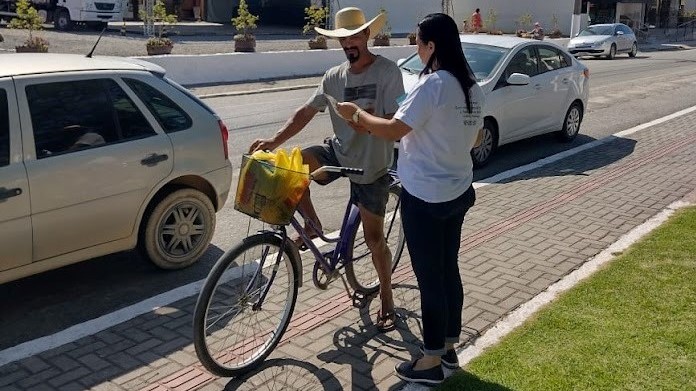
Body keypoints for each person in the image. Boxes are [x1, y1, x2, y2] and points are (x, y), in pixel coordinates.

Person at [336, 13, 484, 385]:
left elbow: (392, 131)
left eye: (417, 43)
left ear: (432, 46)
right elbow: (477, 139)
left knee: (430, 279)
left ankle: (431, 362)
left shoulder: (433, 85)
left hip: (426, 198)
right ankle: (448, 346)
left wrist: (358, 115)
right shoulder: (471, 87)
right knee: (448, 270)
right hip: (458, 190)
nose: (415, 50)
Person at [248, 7, 404, 332]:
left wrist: (369, 121)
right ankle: (313, 225)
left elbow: (397, 122)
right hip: (339, 150)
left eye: (354, 37)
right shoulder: (333, 77)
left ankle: (387, 297)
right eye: (343, 39)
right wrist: (273, 141)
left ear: (366, 36)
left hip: (373, 163)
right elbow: (305, 112)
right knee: (294, 168)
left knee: (375, 240)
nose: (349, 44)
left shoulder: (388, 72)